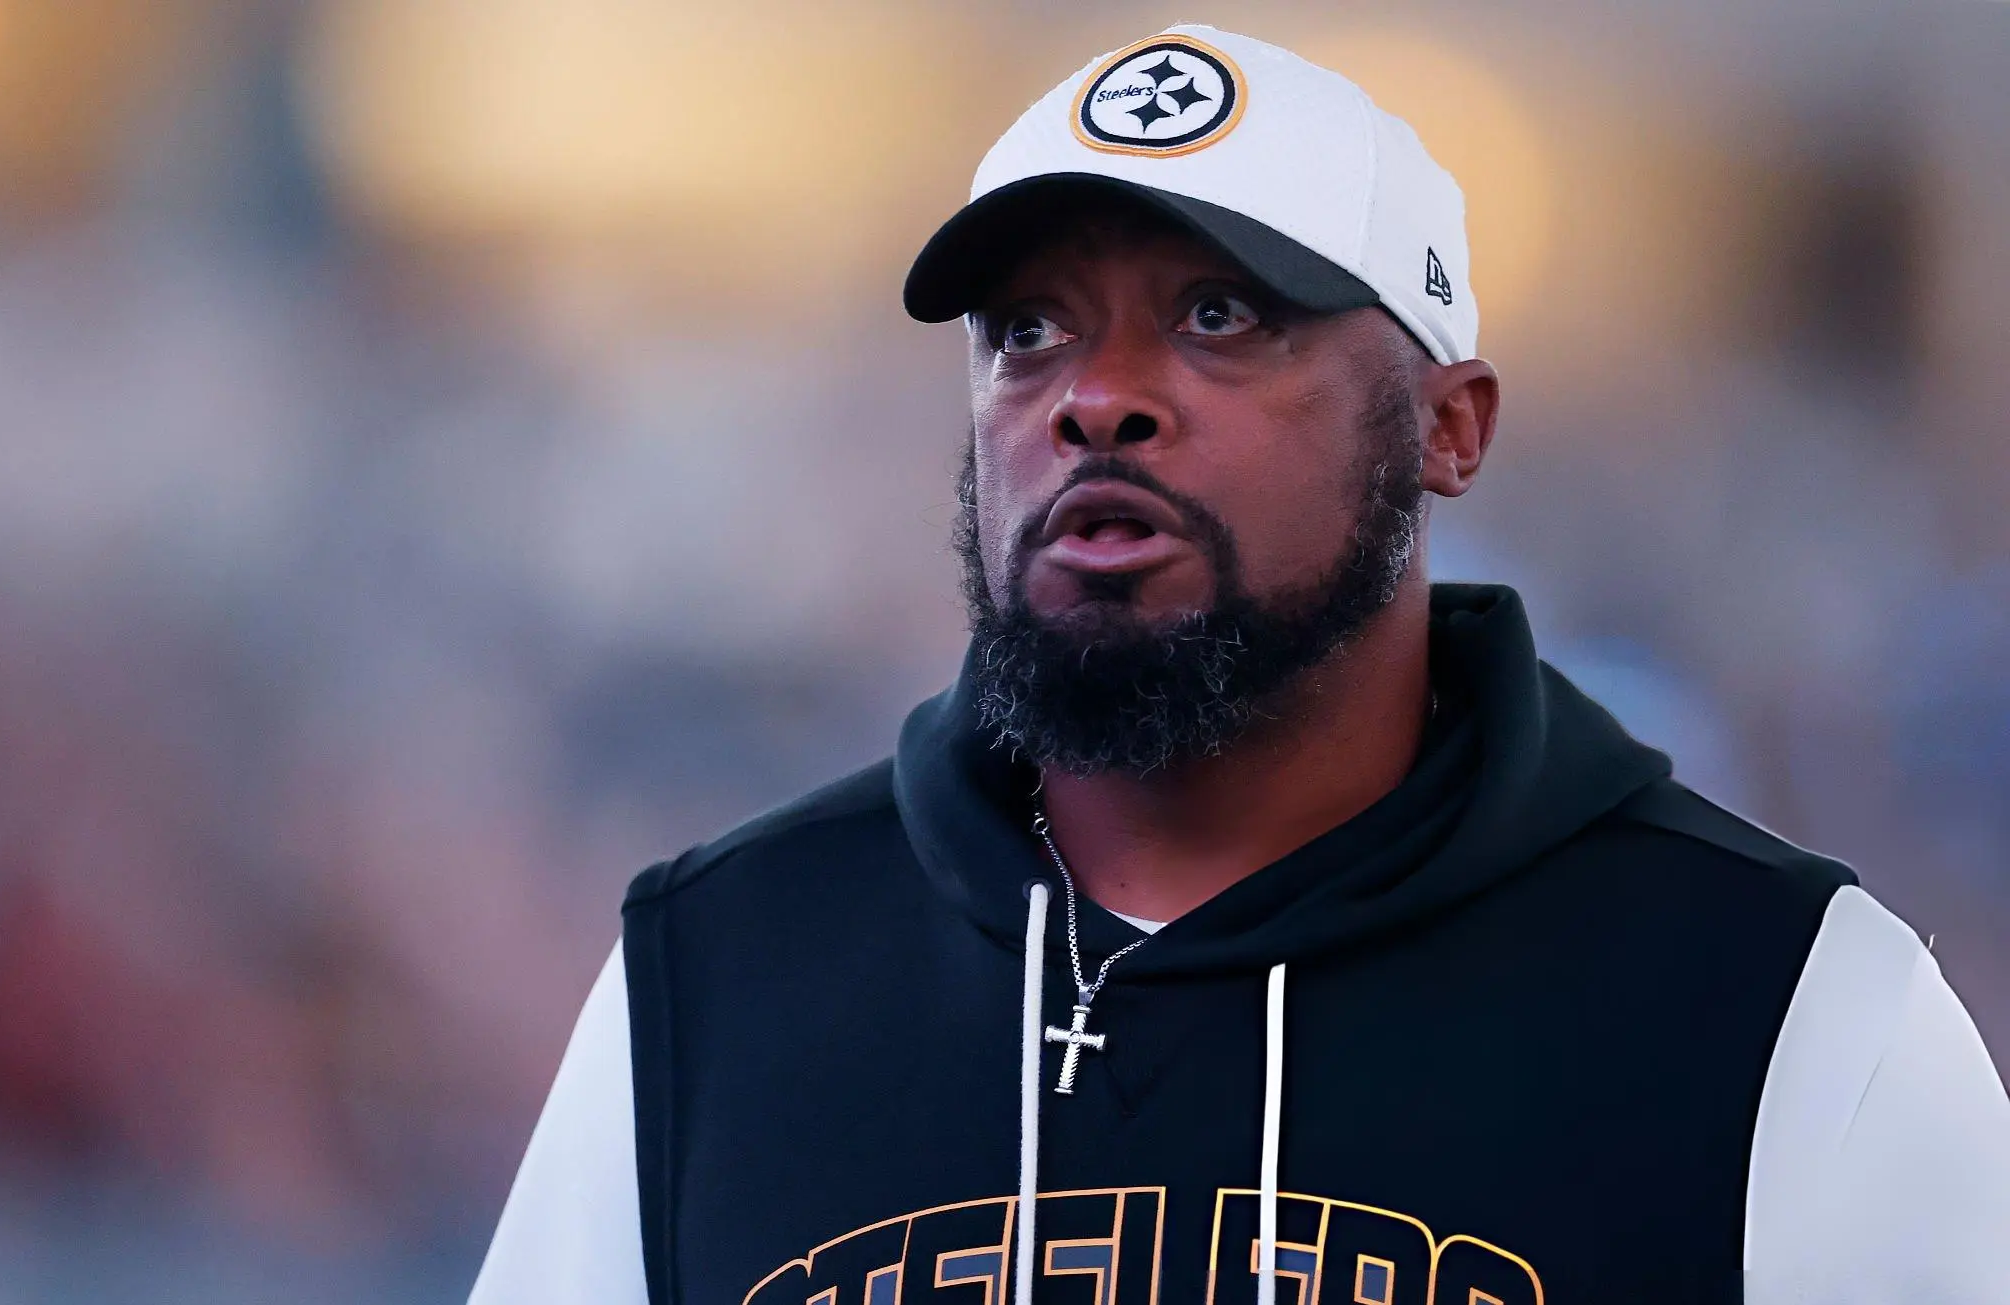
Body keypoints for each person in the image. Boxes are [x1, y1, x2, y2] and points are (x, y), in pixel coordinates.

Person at [469, 25, 2010, 1305]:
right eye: (1028, 331)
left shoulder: (1780, 1003)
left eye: (1222, 316)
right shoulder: (717, 978)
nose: (1097, 400)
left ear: (1452, 426)